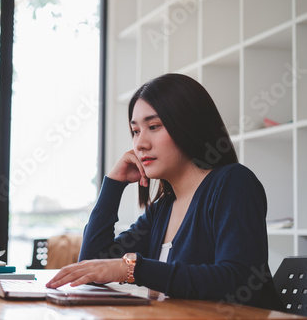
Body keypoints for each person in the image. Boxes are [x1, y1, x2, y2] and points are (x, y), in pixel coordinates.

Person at [46, 73, 283, 311]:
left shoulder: (233, 182)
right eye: (136, 131)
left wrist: (131, 269)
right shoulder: (163, 209)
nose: (140, 144)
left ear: (189, 126)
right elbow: (92, 266)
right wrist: (113, 185)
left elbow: (237, 280)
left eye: (154, 126)